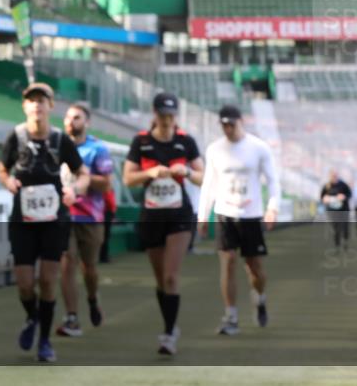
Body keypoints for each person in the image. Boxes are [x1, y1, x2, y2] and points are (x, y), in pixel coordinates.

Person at [0, 83, 90, 364]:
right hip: (23, 220)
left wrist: (76, 190)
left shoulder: (61, 141)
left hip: (54, 221)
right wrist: (8, 181)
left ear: (51, 106)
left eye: (42, 100)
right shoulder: (16, 136)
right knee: (25, 284)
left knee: (48, 281)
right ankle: (31, 317)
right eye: (31, 101)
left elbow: (82, 172)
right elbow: (3, 168)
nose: (36, 105)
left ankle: (45, 341)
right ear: (25, 106)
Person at [122, 92, 204, 356]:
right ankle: (169, 322)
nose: (167, 120)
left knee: (171, 276)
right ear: (154, 114)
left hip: (179, 216)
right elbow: (127, 178)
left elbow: (204, 177)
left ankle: (169, 333)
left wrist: (188, 172)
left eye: (171, 115)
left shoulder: (186, 142)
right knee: (160, 280)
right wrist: (150, 173)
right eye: (163, 114)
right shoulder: (141, 142)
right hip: (151, 216)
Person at [197, 105, 281, 336]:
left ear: (240, 122)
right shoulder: (215, 150)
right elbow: (209, 184)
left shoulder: (258, 148)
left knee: (254, 268)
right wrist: (203, 216)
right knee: (229, 261)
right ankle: (231, 316)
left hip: (251, 214)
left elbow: (273, 180)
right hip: (225, 213)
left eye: (231, 124)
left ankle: (260, 298)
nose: (228, 129)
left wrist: (272, 207)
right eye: (223, 125)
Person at [56, 102, 112, 337]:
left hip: (90, 216)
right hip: (63, 215)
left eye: (77, 117)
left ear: (86, 122)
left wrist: (84, 180)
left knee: (89, 268)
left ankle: (92, 297)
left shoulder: (97, 149)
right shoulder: (55, 145)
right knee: (67, 264)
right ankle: (71, 318)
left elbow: (107, 183)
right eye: (68, 117)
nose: (71, 121)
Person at [321, 170, 353, 250]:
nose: (334, 177)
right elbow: (322, 197)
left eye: (335, 175)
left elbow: (349, 194)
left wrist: (344, 197)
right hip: (332, 211)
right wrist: (325, 199)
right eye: (332, 175)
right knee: (335, 229)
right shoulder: (326, 186)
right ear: (330, 176)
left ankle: (346, 243)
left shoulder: (343, 185)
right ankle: (337, 246)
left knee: (345, 228)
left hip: (344, 210)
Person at [99, 187, 117, 264]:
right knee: (105, 236)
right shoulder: (106, 188)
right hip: (105, 213)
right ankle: (103, 257)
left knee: (104, 236)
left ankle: (103, 256)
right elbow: (110, 202)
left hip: (104, 213)